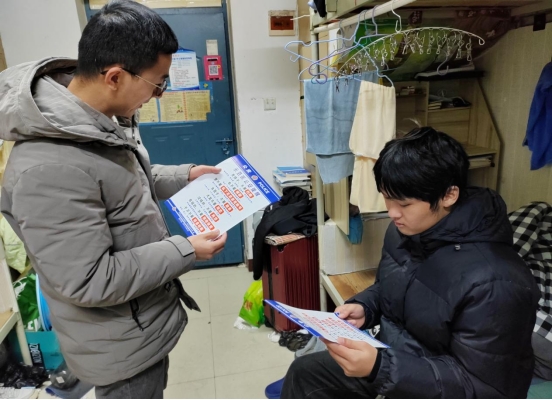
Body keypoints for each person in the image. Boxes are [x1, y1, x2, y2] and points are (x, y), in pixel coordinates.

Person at [0, 1, 227, 398]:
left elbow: (119, 184)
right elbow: (89, 280)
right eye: (157, 84)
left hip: (136, 326)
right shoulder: (49, 167)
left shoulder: (93, 122)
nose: (158, 95)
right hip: (120, 348)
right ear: (115, 77)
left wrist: (184, 175)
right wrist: (186, 249)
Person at [282, 127, 540, 399]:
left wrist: (381, 368)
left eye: (404, 204)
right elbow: (395, 287)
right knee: (305, 373)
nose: (392, 213)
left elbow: (484, 389)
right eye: (387, 198)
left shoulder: (497, 282)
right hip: (397, 364)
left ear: (449, 195)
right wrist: (366, 307)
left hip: (437, 386)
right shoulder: (406, 230)